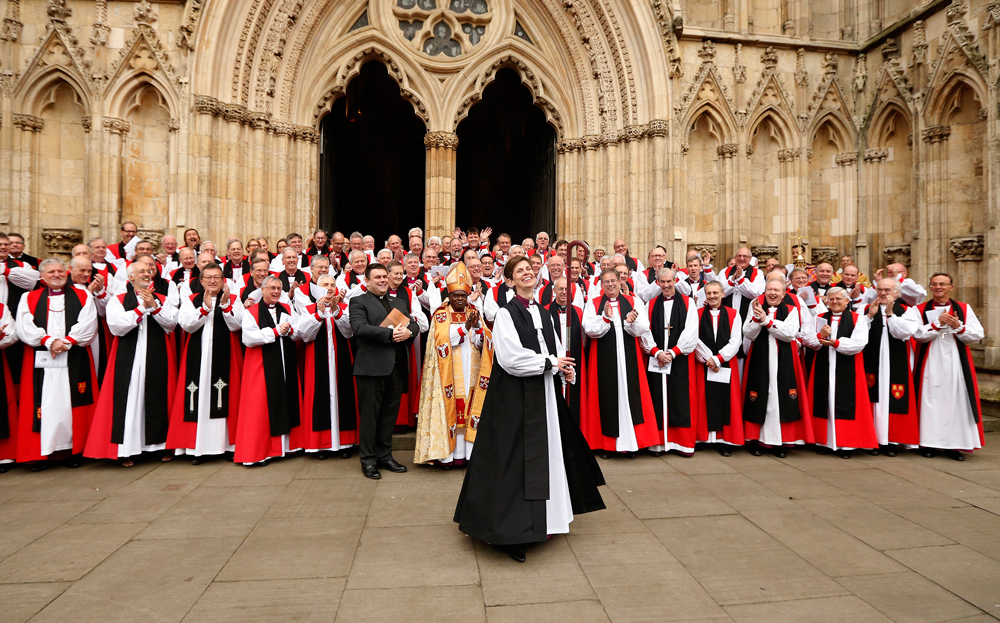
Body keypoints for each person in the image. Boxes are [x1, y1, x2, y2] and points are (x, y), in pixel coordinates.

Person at [454, 255, 604, 563]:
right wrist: (549, 363)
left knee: (546, 454)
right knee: (515, 460)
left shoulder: (545, 312)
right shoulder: (507, 315)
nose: (527, 273)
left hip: (544, 393)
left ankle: (546, 520)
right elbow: (510, 358)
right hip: (513, 397)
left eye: (529, 269)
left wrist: (564, 368)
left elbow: (554, 349)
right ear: (509, 281)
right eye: (519, 271)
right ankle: (512, 532)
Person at [84, 261, 178, 467]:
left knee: (157, 396)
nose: (146, 274)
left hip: (157, 355)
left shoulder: (162, 298)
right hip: (129, 357)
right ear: (131, 278)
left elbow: (171, 325)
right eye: (141, 271)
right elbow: (117, 327)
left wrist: (154, 307)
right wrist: (140, 309)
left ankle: (159, 446)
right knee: (129, 398)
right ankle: (128, 449)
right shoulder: (117, 300)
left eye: (149, 271)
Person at [15, 258, 99, 468]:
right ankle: (40, 453)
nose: (57, 275)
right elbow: (24, 326)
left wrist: (68, 342)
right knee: (44, 403)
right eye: (51, 271)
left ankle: (73, 451)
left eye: (61, 271)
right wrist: (49, 341)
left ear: (67, 272)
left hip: (73, 357)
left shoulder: (82, 295)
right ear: (42, 276)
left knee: (71, 403)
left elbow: (88, 323)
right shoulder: (30, 297)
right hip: (43, 359)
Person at [414, 262, 494, 469]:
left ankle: (469, 455)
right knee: (452, 409)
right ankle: (448, 456)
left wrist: (477, 327)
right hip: (448, 371)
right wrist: (464, 328)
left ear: (468, 296)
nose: (460, 299)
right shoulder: (441, 315)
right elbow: (441, 343)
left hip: (472, 370)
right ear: (449, 296)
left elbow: (483, 343)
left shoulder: (475, 311)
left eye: (463, 295)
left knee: (470, 408)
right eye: (456, 295)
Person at [167, 263, 243, 464]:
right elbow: (187, 325)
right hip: (198, 358)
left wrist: (226, 307)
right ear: (200, 281)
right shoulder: (193, 300)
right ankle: (197, 448)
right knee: (198, 398)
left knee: (226, 396)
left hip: (225, 356)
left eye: (217, 277)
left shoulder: (233, 299)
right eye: (208, 277)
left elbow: (238, 325)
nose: (212, 281)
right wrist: (205, 308)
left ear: (223, 280)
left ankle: (227, 446)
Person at [349, 262, 419, 479]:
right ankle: (368, 461)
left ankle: (385, 456)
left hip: (396, 368)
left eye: (384, 277)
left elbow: (413, 324)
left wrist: (409, 334)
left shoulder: (398, 301)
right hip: (371, 368)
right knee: (370, 417)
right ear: (367, 281)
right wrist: (391, 335)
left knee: (389, 415)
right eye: (377, 277)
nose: (382, 280)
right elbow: (359, 328)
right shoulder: (358, 301)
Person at [581, 268, 659, 457]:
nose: (610, 284)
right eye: (606, 281)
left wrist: (631, 322)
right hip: (603, 359)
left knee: (629, 396)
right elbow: (590, 329)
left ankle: (631, 444)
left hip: (628, 359)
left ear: (620, 282)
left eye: (613, 280)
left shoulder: (633, 301)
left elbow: (643, 328)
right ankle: (607, 445)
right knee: (607, 397)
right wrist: (606, 318)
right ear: (601, 284)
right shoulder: (593, 303)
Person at [912, 273, 985, 460]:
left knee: (955, 401)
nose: (938, 287)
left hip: (955, 361)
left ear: (951, 287)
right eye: (935, 284)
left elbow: (977, 334)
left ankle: (954, 446)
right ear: (930, 287)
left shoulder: (963, 308)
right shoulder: (919, 309)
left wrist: (959, 327)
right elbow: (917, 335)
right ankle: (928, 444)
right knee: (929, 400)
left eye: (943, 284)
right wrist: (937, 324)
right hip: (930, 361)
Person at [742, 274, 813, 457]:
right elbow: (748, 332)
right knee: (761, 397)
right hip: (760, 357)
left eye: (776, 290)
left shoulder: (791, 309)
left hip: (784, 360)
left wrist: (767, 320)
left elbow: (789, 333)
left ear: (784, 293)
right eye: (769, 290)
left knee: (780, 398)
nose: (772, 293)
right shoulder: (755, 306)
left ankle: (781, 442)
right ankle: (758, 440)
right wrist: (758, 320)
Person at [235, 275, 303, 466]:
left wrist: (290, 331)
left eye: (278, 289)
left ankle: (288, 447)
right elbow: (248, 337)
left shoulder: (287, 308)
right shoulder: (252, 312)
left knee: (287, 400)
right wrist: (274, 331)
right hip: (261, 366)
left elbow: (299, 329)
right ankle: (261, 451)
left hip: (285, 364)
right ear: (262, 290)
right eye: (271, 288)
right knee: (260, 407)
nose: (275, 292)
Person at [801, 287, 876, 458]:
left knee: (846, 403)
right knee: (824, 401)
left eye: (838, 299)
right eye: (831, 299)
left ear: (847, 301)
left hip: (848, 367)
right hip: (823, 366)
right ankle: (823, 441)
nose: (834, 302)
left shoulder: (858, 319)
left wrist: (835, 343)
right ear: (826, 301)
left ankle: (846, 444)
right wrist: (821, 335)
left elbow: (859, 343)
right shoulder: (819, 318)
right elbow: (806, 339)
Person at [295, 274, 358, 459]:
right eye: (325, 285)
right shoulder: (307, 308)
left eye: (332, 284)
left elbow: (349, 332)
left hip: (342, 358)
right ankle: (320, 445)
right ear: (316, 287)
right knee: (319, 397)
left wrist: (337, 311)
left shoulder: (345, 307)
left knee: (343, 396)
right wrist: (319, 314)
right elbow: (305, 335)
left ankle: (345, 442)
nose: (329, 288)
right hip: (317, 360)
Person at [641, 268, 700, 457]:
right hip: (657, 359)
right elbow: (644, 331)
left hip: (679, 359)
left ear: (675, 281)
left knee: (680, 399)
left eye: (669, 281)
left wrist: (673, 353)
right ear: (657, 282)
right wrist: (656, 352)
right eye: (662, 282)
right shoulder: (649, 305)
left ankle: (682, 443)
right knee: (657, 399)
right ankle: (658, 444)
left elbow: (691, 331)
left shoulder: (688, 303)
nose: (666, 285)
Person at [862, 278, 921, 455]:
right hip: (872, 360)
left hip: (895, 362)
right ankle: (873, 440)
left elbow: (903, 333)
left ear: (897, 292)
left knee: (893, 398)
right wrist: (869, 317)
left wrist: (890, 315)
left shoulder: (906, 310)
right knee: (874, 397)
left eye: (887, 290)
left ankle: (892, 441)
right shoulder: (866, 307)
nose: (882, 293)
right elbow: (856, 330)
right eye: (880, 289)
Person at [694, 281, 744, 455]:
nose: (712, 296)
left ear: (723, 294)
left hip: (725, 363)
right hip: (703, 363)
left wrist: (718, 358)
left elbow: (736, 340)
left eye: (716, 293)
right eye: (709, 293)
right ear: (705, 296)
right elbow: (695, 338)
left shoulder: (733, 314)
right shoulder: (697, 314)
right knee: (702, 399)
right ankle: (702, 437)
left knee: (726, 401)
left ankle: (724, 440)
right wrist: (708, 358)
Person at [545, 277, 587, 426]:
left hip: (575, 359)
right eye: (560, 289)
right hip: (553, 362)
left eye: (566, 289)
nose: (564, 292)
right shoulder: (545, 312)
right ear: (554, 290)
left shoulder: (578, 311)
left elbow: (584, 338)